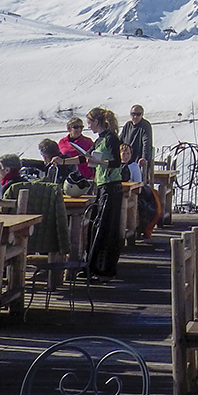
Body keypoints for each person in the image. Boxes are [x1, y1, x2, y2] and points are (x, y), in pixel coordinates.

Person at [85, 107, 123, 278]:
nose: (89, 126)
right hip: (101, 185)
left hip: (111, 186)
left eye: (90, 123)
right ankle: (92, 265)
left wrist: (100, 161)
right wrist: (63, 161)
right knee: (96, 225)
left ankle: (104, 267)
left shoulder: (111, 139)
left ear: (97, 122)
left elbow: (116, 162)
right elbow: (86, 157)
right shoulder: (99, 140)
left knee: (106, 227)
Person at [58, 117, 95, 185]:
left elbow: (94, 159)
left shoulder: (87, 141)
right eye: (76, 127)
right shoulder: (62, 142)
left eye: (81, 127)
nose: (79, 129)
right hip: (67, 177)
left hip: (85, 178)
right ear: (69, 128)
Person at [120, 105, 153, 177]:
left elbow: (146, 144)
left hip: (137, 161)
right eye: (133, 114)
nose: (135, 117)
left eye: (138, 114)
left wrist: (144, 158)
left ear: (142, 114)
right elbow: (120, 140)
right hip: (125, 160)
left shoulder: (145, 125)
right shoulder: (127, 125)